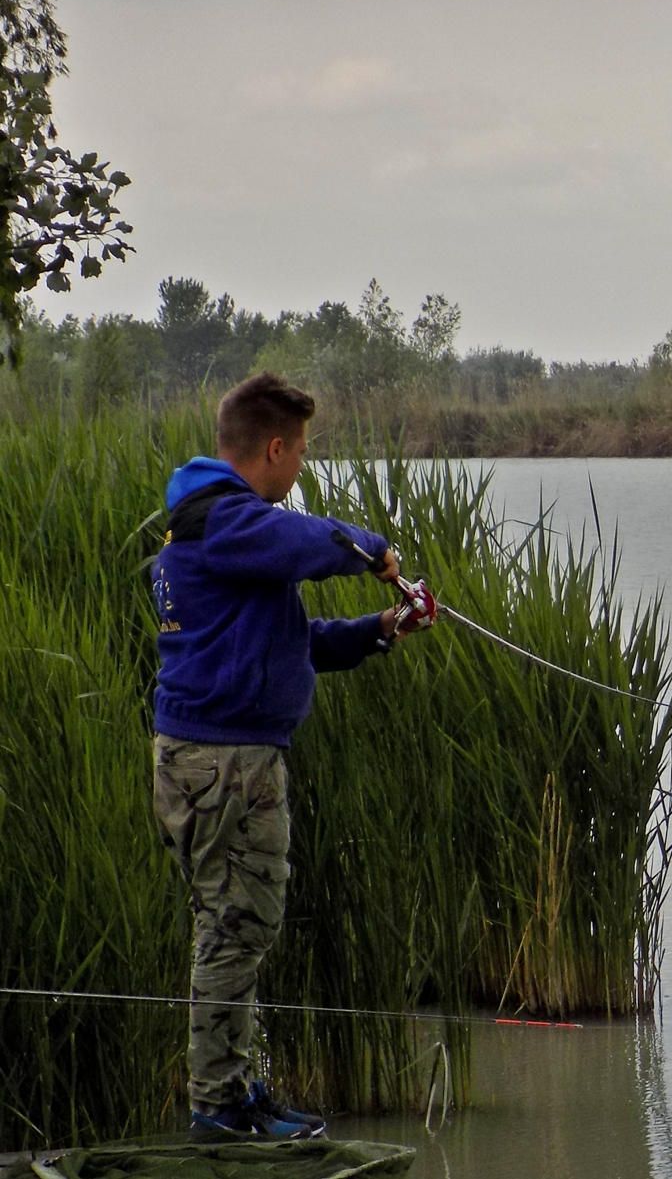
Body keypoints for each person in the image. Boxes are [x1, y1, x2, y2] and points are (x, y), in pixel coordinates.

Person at [150, 372, 426, 1138]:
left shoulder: (217, 531)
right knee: (236, 926)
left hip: (226, 758)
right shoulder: (226, 522)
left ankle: (233, 1091)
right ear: (275, 447)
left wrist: (376, 629)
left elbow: (289, 644)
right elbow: (307, 540)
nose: (303, 465)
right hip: (221, 763)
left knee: (241, 922)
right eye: (301, 451)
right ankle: (217, 1106)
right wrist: (371, 549)